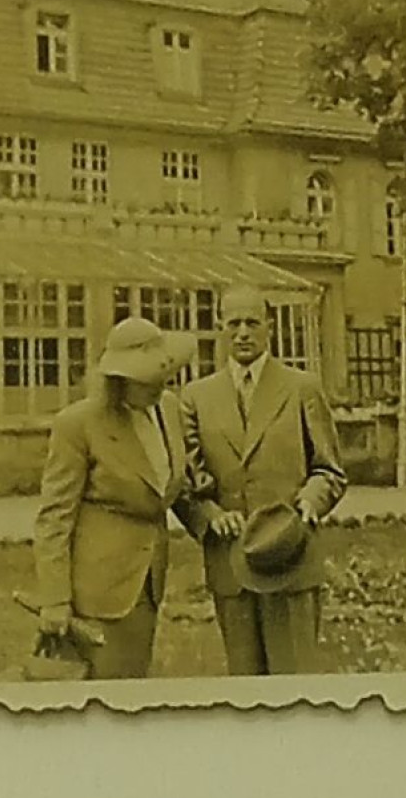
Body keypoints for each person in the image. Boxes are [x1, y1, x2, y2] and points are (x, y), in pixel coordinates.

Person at [180, 286, 347, 675]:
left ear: (269, 328)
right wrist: (210, 514)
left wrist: (310, 502)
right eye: (233, 323)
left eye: (252, 323)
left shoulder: (301, 387)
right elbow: (187, 483)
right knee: (245, 688)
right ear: (220, 327)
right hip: (230, 563)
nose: (242, 333)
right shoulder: (196, 397)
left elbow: (329, 469)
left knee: (294, 682)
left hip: (289, 555)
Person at [32, 316, 196, 680]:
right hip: (99, 590)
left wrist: (212, 521)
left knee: (134, 684)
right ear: (117, 380)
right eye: (144, 381)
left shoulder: (169, 409)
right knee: (103, 696)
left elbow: (173, 488)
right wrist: (55, 599)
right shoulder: (79, 424)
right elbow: (54, 517)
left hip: (148, 578)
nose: (156, 387)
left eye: (161, 377)